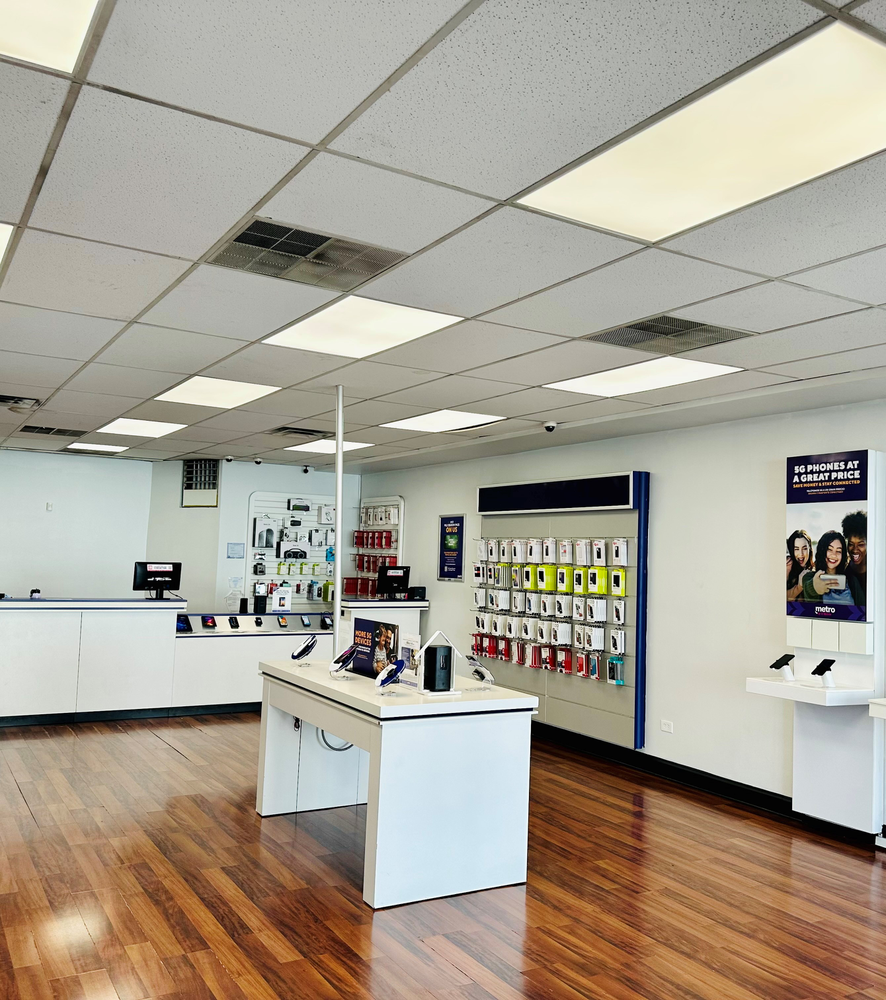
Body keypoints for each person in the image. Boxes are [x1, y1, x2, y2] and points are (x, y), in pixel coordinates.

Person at [802, 531, 864, 606]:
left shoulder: (851, 580)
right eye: (829, 549)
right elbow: (808, 590)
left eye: (838, 551)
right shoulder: (809, 577)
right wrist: (814, 587)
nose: (834, 555)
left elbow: (862, 608)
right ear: (822, 550)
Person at [842, 510, 867, 607]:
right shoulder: (845, 573)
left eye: (861, 544)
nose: (855, 550)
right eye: (851, 544)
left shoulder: (877, 572)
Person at [786, 529, 814, 601]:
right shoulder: (787, 567)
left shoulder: (814, 569)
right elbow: (778, 597)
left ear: (810, 549)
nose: (801, 554)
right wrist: (799, 587)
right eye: (796, 549)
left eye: (804, 548)